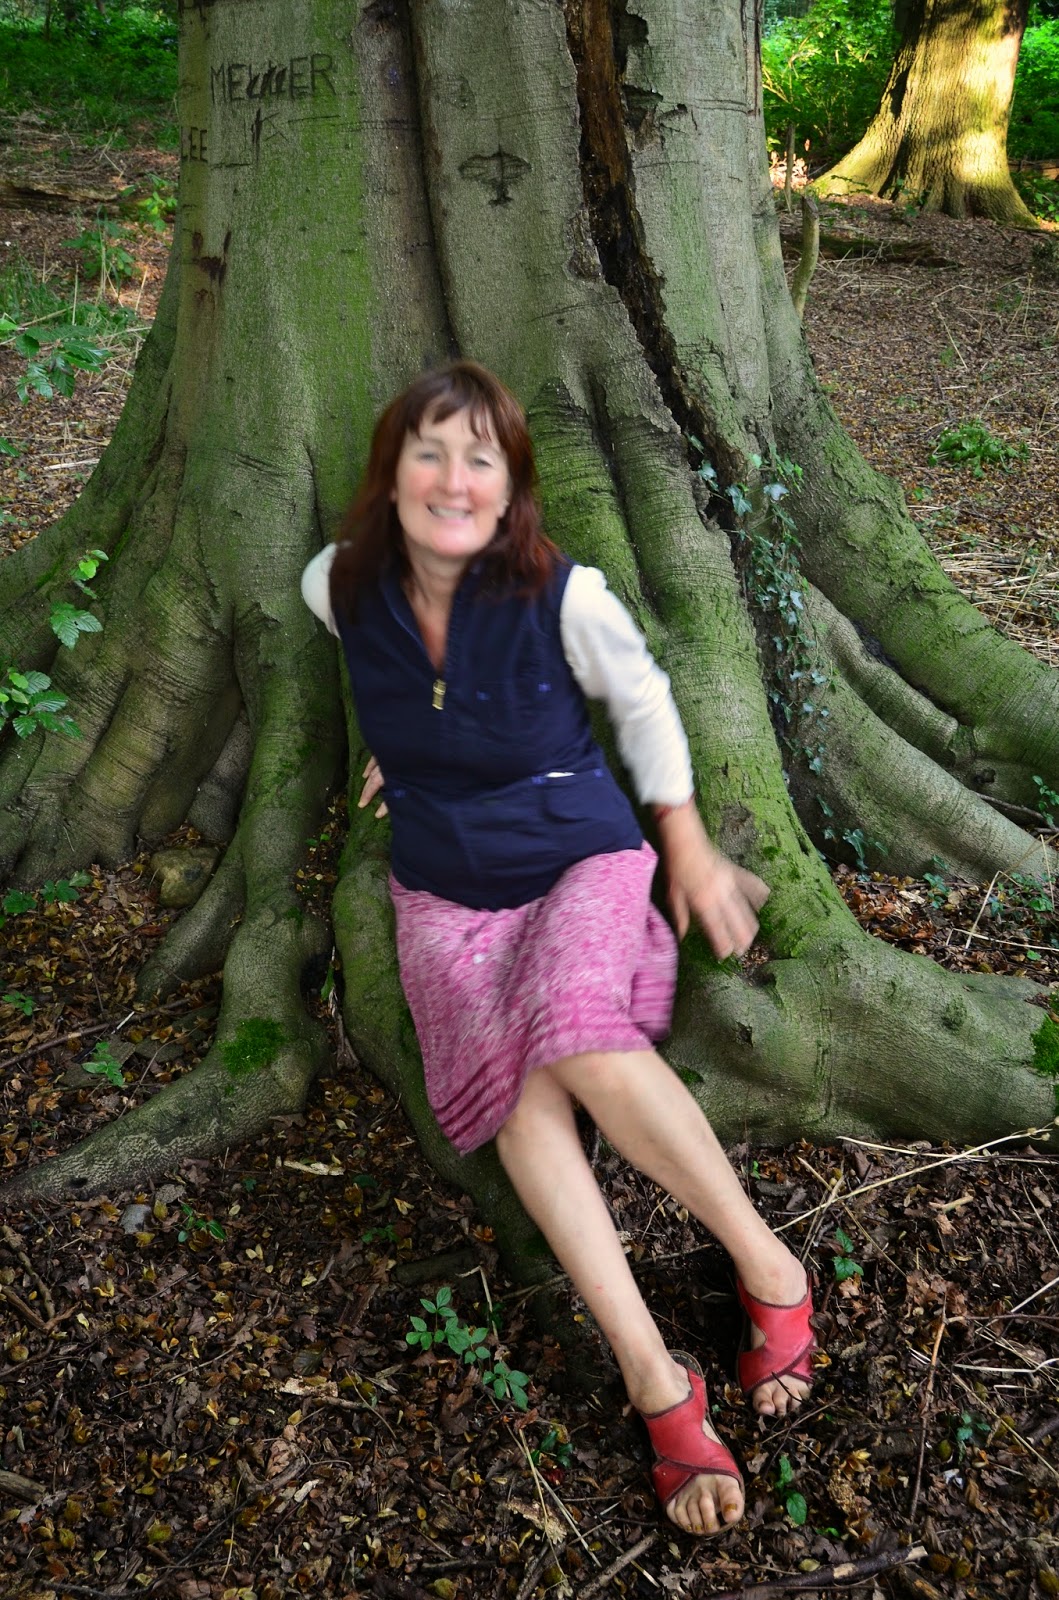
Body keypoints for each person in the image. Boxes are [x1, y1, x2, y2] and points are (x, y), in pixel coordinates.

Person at [301, 360, 818, 1538]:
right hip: (443, 894)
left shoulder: (564, 595)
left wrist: (688, 848)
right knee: (515, 1105)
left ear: (511, 487)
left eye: (481, 459)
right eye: (430, 452)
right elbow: (396, 677)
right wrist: (410, 748)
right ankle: (655, 1378)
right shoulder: (336, 583)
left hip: (577, 857)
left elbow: (642, 703)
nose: (454, 479)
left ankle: (770, 1267)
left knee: (579, 1033)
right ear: (390, 472)